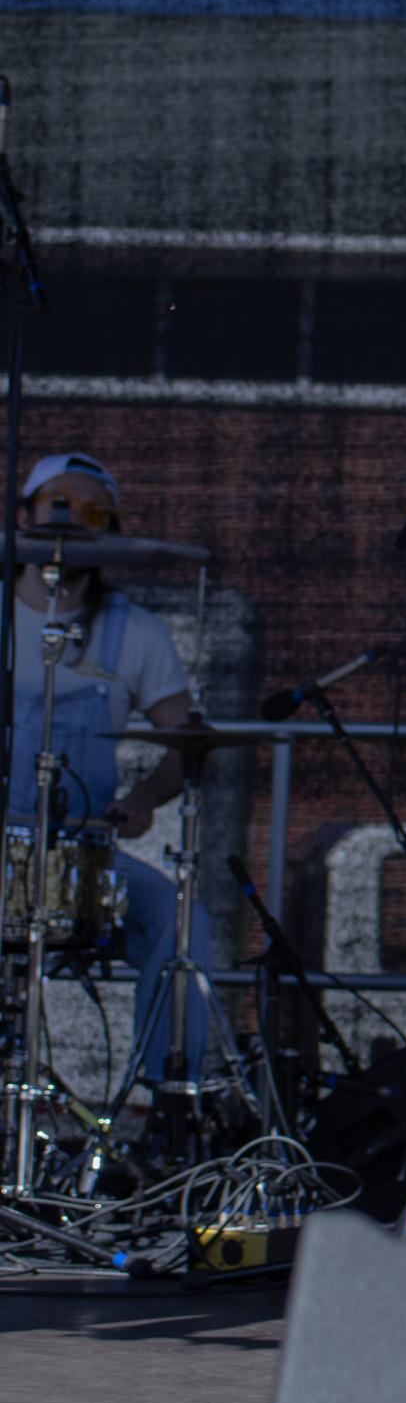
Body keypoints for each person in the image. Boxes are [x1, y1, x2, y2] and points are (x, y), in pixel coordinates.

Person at [4, 450, 214, 1087]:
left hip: (82, 852)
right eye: (58, 507)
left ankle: (162, 1103)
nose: (71, 524)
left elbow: (189, 741)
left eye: (92, 512)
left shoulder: (137, 633)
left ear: (113, 529)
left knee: (179, 922)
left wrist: (146, 798)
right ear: (24, 516)